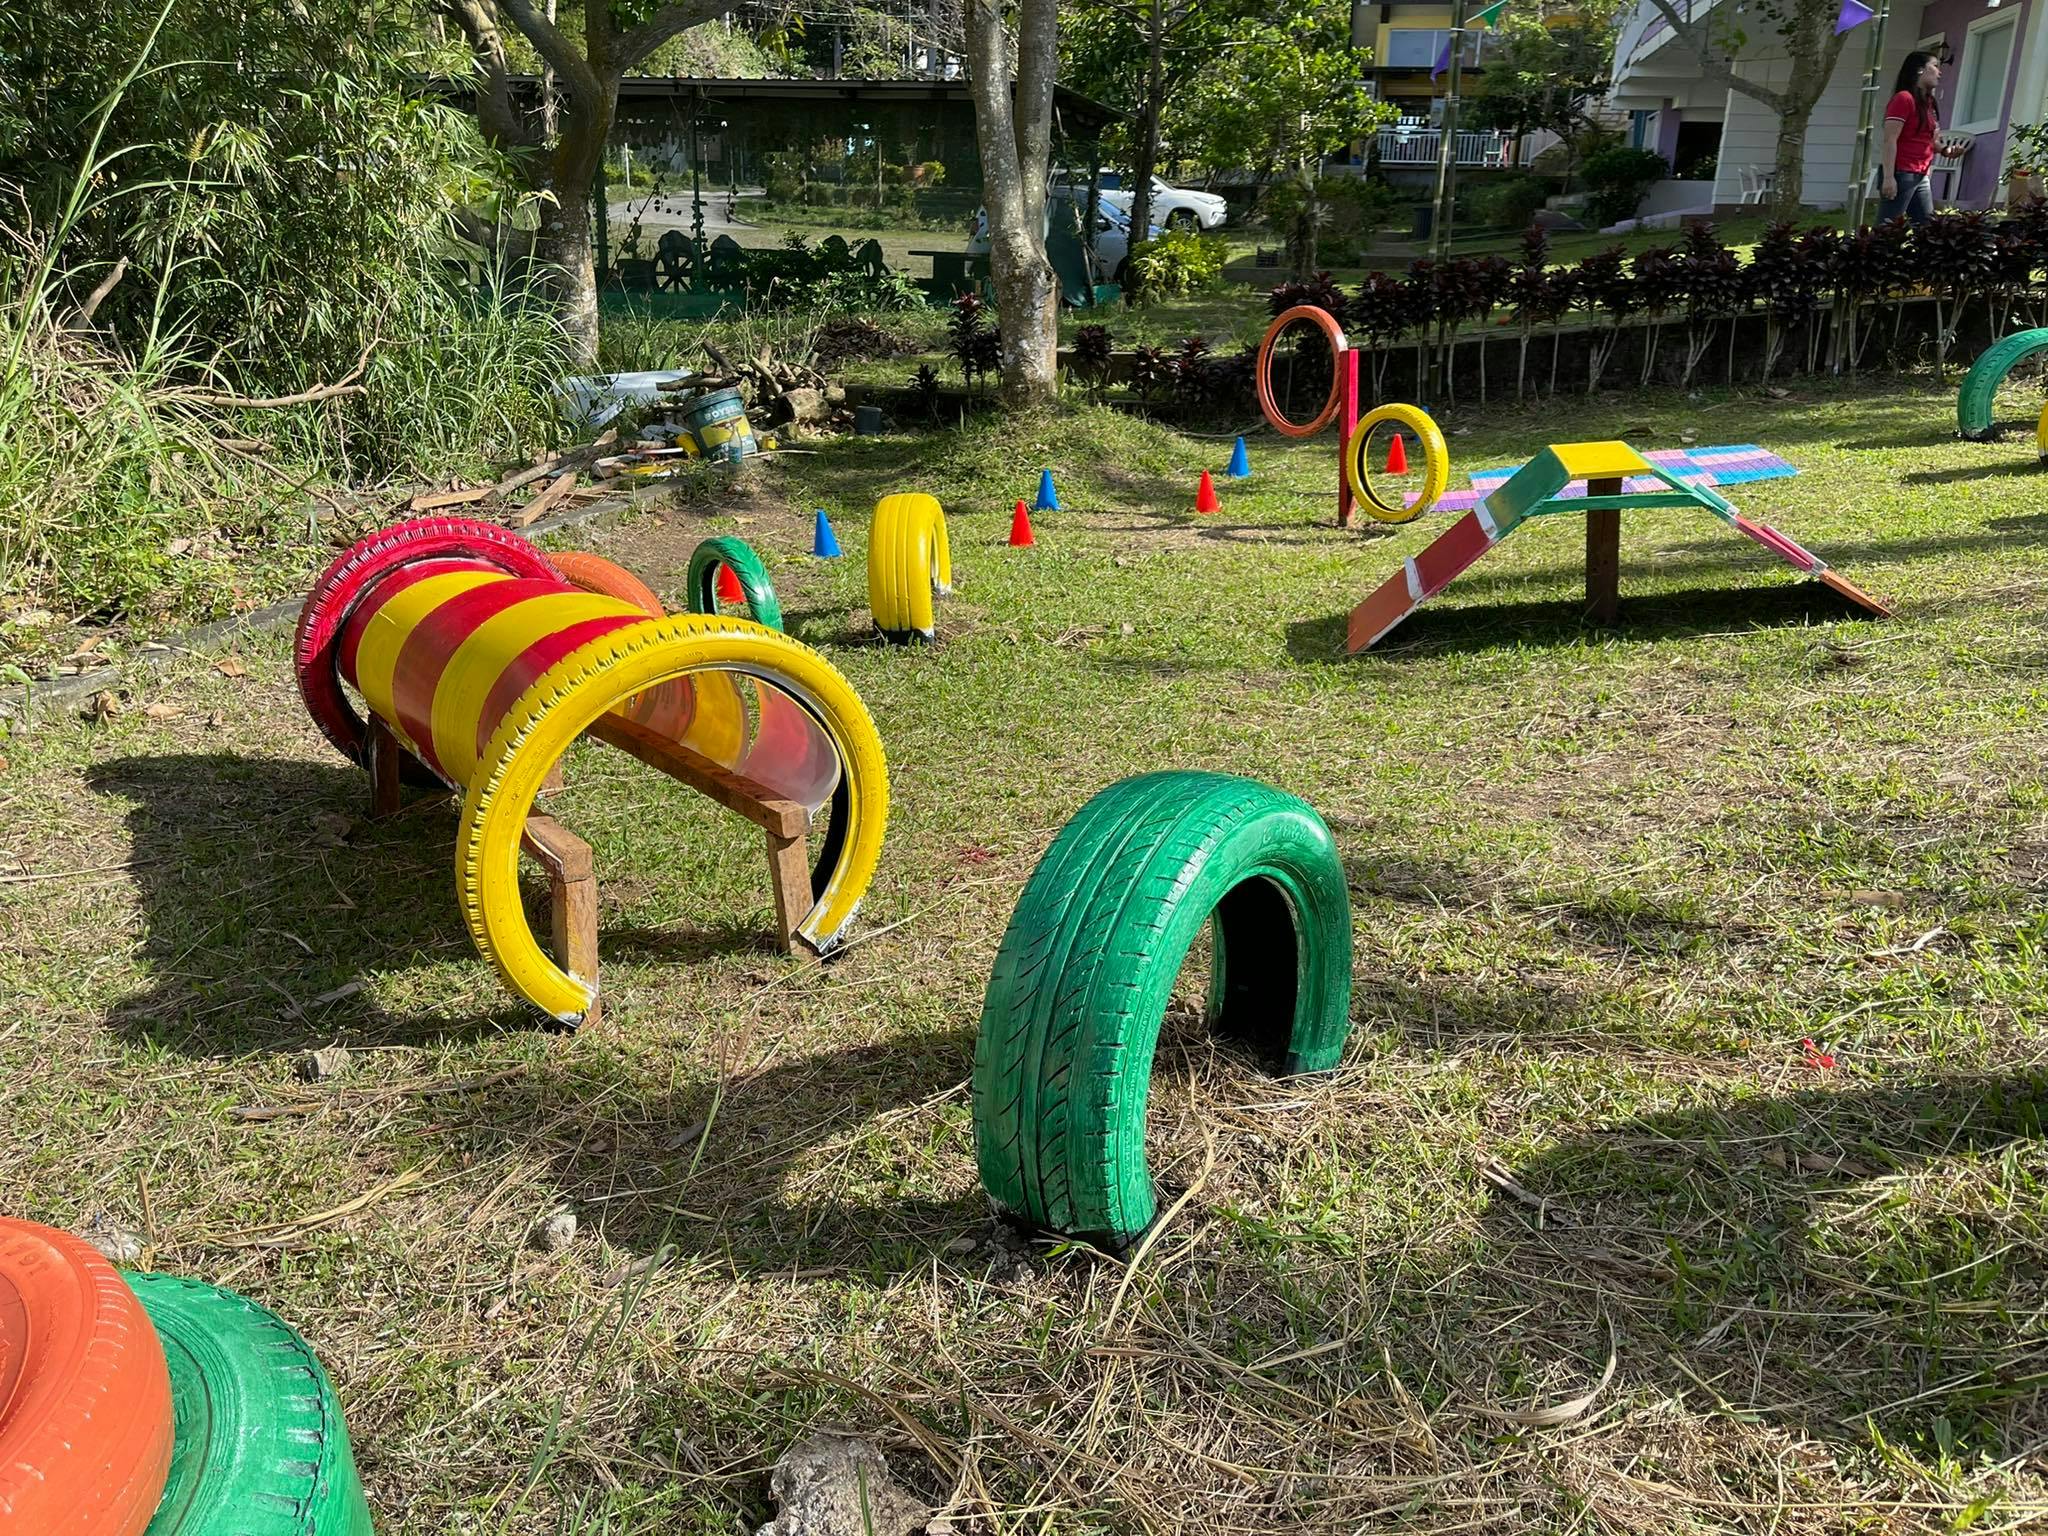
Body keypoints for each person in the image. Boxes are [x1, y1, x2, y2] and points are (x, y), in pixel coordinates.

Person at [1880, 51, 1942, 224]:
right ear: (1920, 70)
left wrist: (1946, 150)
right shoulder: (1903, 99)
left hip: (1921, 174)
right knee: (1887, 227)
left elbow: (1930, 141)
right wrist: (1889, 177)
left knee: (1927, 227)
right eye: (1935, 66)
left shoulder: (1928, 104)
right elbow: (1890, 139)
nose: (1939, 72)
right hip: (1902, 173)